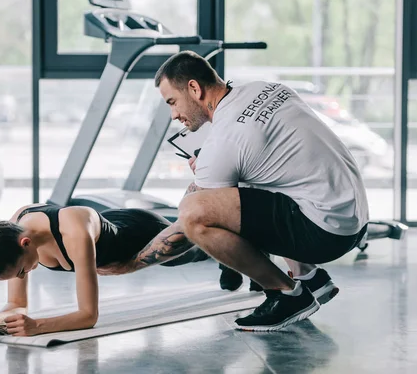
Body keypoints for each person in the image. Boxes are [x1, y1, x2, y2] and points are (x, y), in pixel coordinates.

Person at [97, 51, 370, 332]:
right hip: (354, 216)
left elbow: (190, 224)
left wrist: (128, 265)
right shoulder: (266, 88)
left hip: (327, 234)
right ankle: (310, 277)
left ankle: (287, 294)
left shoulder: (224, 142)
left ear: (194, 88)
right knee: (250, 176)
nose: (174, 114)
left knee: (194, 215)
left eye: (172, 102)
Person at [0, 204, 208, 348]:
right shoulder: (14, 231)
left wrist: (39, 326)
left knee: (197, 249)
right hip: (112, 237)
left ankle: (229, 253)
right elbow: (17, 302)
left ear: (26, 244)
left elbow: (88, 315)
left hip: (141, 235)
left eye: (22, 270)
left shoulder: (73, 231)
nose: (24, 275)